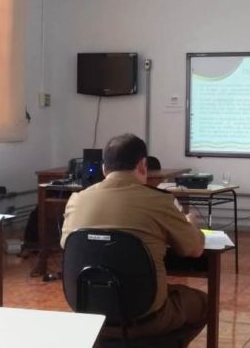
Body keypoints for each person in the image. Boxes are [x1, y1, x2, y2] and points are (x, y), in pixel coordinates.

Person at [60, 133, 207, 346]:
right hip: (145, 319)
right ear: (142, 166)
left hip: (90, 314)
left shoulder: (76, 200)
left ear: (104, 168)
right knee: (204, 303)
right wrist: (190, 222)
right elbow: (195, 249)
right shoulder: (158, 201)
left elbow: (68, 246)